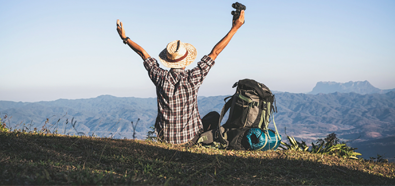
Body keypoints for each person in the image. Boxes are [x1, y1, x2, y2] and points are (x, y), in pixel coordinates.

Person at [116, 10, 245, 144]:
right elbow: (215, 52)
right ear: (186, 60)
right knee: (214, 116)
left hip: (164, 139)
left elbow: (143, 54)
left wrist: (125, 38)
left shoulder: (159, 76)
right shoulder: (194, 77)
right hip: (190, 139)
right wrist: (234, 28)